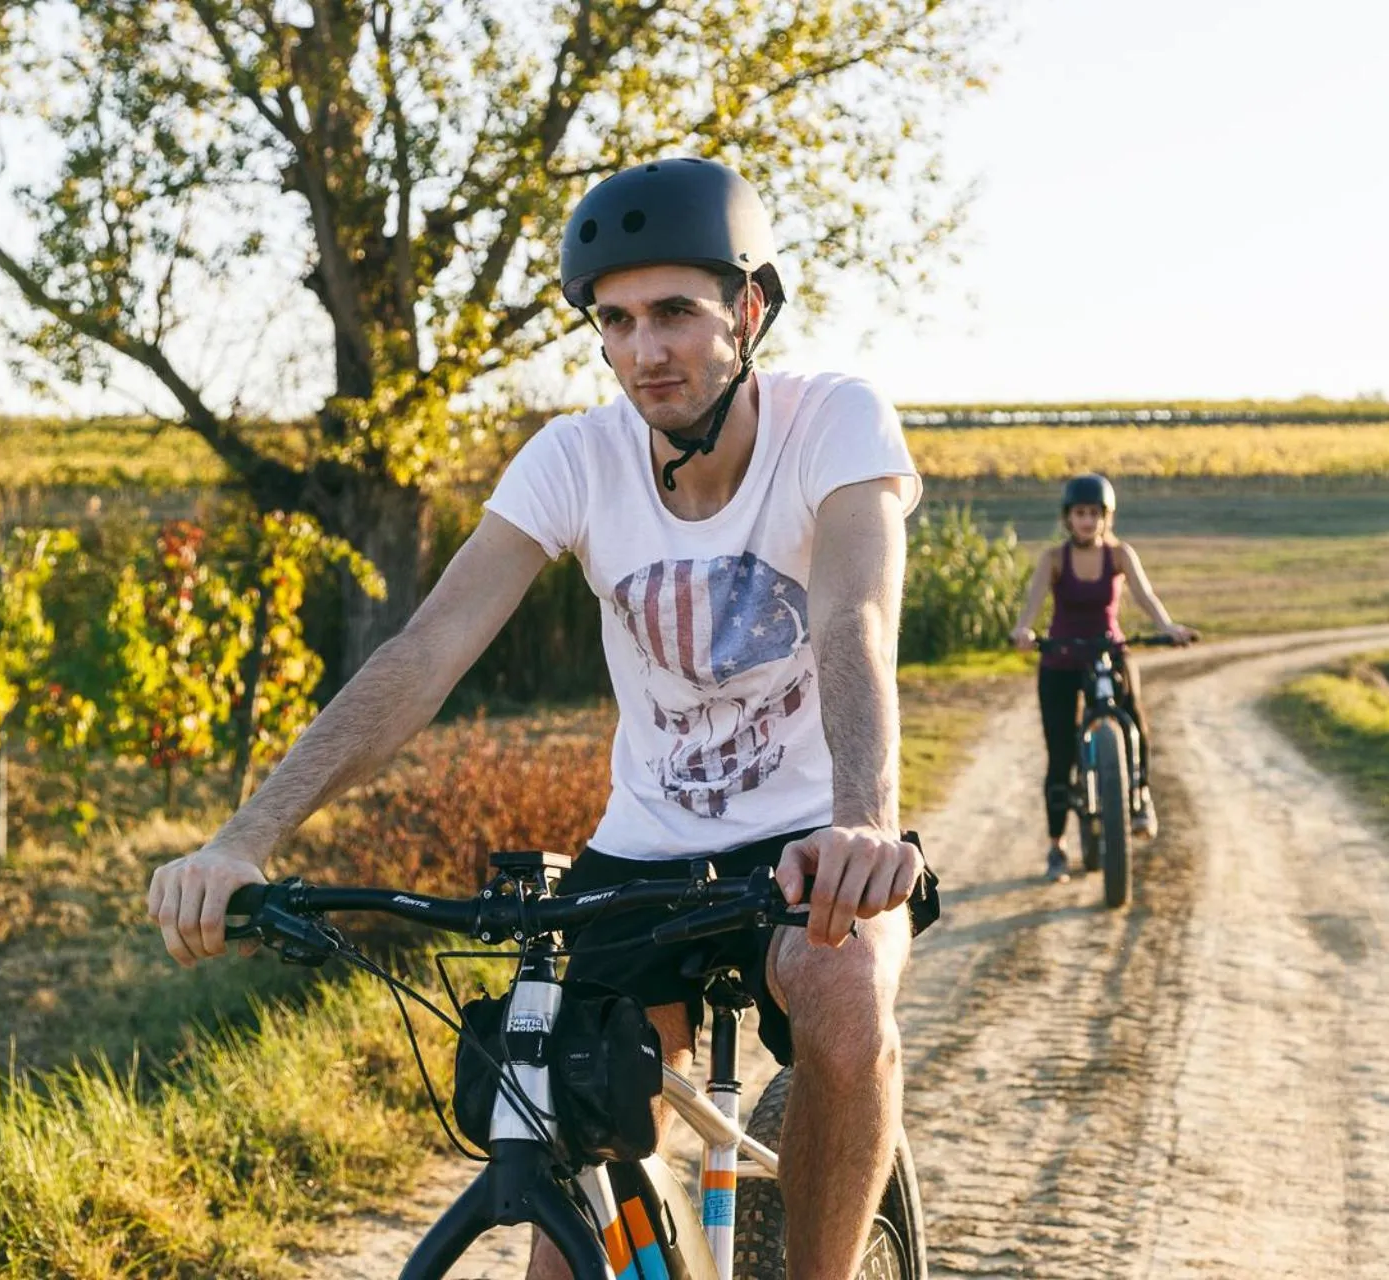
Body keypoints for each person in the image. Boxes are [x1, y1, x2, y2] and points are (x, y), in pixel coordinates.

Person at [145, 157, 932, 1280]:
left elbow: (854, 617)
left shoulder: (834, 422)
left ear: (749, 310)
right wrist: (246, 836)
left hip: (814, 834)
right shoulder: (575, 457)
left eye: (675, 312)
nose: (644, 349)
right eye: (614, 320)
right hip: (646, 847)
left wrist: (864, 821)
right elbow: (422, 654)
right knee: (567, 1140)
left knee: (845, 994)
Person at [1010, 473, 1195, 882]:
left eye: (1094, 513)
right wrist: (1024, 631)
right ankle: (1057, 846)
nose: (1087, 521)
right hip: (1061, 657)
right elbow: (1034, 602)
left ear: (1105, 517)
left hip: (1108, 652)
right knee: (1059, 755)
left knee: (1134, 720)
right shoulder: (1054, 559)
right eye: (1080, 513)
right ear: (1068, 518)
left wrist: (1168, 627)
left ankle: (1141, 797)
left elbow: (1147, 597)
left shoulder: (1120, 555)